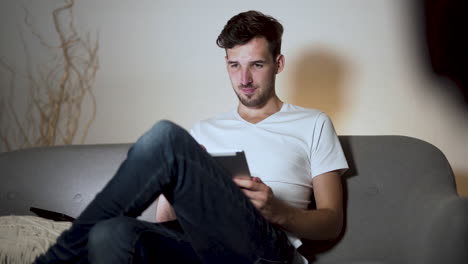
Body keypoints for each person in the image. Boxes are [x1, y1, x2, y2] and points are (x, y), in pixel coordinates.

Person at [34, 10, 348, 264]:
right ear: (225, 64)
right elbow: (165, 223)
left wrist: (278, 211)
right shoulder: (204, 131)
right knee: (110, 232)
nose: (244, 79)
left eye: (256, 65)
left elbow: (332, 221)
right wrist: (180, 184)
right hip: (197, 248)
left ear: (278, 64)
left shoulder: (312, 123)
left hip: (264, 250)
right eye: (234, 65)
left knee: (165, 137)